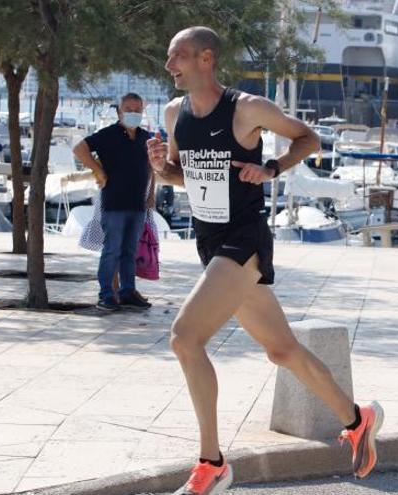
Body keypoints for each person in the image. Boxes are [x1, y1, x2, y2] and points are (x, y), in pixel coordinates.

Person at [147, 26, 383, 495]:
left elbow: (308, 139)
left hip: (244, 239)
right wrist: (161, 168)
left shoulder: (247, 108)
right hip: (209, 242)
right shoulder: (176, 114)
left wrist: (271, 167)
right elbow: (182, 176)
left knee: (185, 338)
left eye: (178, 57)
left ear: (206, 58)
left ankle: (211, 463)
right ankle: (358, 419)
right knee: (282, 350)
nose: (170, 65)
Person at [73, 93, 152, 311]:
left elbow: (150, 167)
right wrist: (97, 170)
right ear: (119, 111)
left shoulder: (146, 137)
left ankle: (128, 291)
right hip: (114, 203)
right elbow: (79, 148)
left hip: (137, 204)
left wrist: (151, 194)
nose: (133, 114)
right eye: (129, 109)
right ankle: (106, 294)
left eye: (137, 110)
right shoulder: (108, 135)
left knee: (130, 251)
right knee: (112, 250)